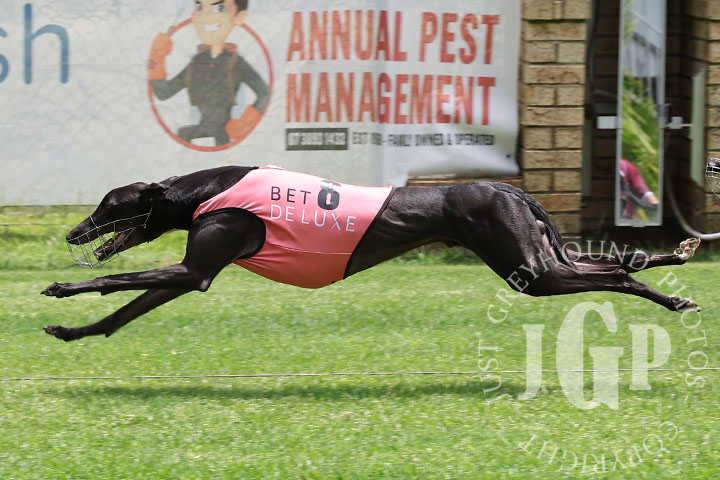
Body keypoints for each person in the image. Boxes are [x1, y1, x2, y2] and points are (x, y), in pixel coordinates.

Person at [148, 0, 270, 146]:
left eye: (220, 7)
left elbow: (264, 93)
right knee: (183, 134)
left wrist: (243, 124)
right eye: (199, 7)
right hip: (201, 129)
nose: (206, 16)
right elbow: (163, 92)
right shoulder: (197, 62)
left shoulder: (235, 62)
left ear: (239, 17)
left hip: (224, 132)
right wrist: (158, 57)